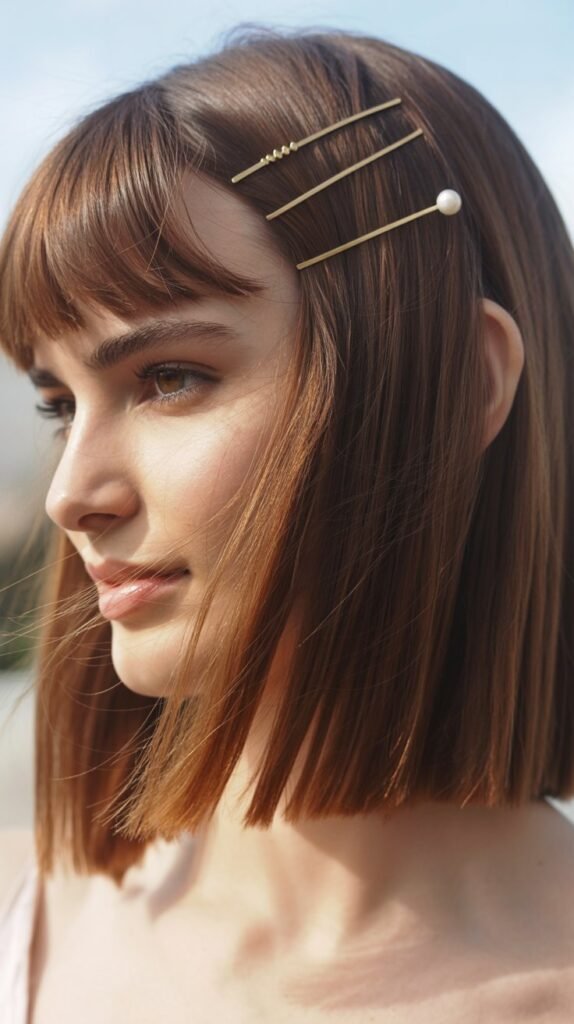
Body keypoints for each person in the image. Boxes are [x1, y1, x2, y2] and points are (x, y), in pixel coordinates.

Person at [1, 24, 573, 1022]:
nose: (72, 493)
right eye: (59, 405)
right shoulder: (20, 912)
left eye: (169, 377)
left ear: (455, 382)